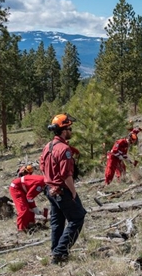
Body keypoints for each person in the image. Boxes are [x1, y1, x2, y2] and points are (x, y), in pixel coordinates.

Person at [40, 113, 87, 265]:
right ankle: (60, 252)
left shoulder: (47, 147)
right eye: (69, 128)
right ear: (64, 130)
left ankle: (55, 251)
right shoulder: (64, 149)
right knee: (77, 217)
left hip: (49, 189)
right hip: (62, 189)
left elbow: (42, 166)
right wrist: (73, 191)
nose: (71, 131)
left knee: (57, 221)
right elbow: (66, 175)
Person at [9, 165, 46, 232]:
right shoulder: (40, 184)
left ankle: (30, 225)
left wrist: (33, 208)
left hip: (22, 188)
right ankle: (21, 229)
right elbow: (29, 197)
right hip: (16, 188)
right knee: (24, 209)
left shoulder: (43, 181)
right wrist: (35, 208)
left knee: (30, 209)